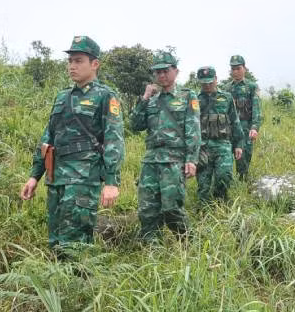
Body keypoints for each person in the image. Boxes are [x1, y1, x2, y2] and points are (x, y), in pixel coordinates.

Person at [20, 36, 124, 250]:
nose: (72, 66)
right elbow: (47, 137)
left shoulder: (105, 96)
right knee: (55, 241)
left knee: (74, 244)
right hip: (56, 178)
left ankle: (80, 281)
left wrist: (112, 181)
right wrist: (34, 176)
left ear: (95, 64)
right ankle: (59, 282)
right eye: (70, 61)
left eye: (78, 61)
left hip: (83, 179)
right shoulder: (61, 97)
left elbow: (114, 139)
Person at [130, 52, 201, 242]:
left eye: (165, 71)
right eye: (157, 72)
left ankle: (189, 244)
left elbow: (194, 130)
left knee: (171, 208)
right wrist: (144, 98)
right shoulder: (151, 100)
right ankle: (153, 251)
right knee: (147, 210)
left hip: (174, 160)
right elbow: (135, 125)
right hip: (151, 161)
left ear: (175, 71)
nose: (161, 75)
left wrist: (192, 160)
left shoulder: (187, 96)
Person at [195, 66, 244, 204]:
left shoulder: (226, 98)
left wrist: (238, 144)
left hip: (222, 145)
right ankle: (203, 210)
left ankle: (220, 204)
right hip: (203, 147)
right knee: (203, 183)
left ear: (216, 79)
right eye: (204, 83)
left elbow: (235, 121)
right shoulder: (195, 100)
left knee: (224, 176)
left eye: (210, 82)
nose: (207, 85)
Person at [224, 55, 261, 180]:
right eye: (233, 69)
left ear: (244, 68)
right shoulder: (227, 88)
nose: (235, 71)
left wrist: (255, 127)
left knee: (244, 160)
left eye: (238, 68)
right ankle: (227, 185)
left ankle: (242, 185)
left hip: (245, 128)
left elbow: (256, 108)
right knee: (227, 159)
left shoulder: (251, 87)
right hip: (229, 129)